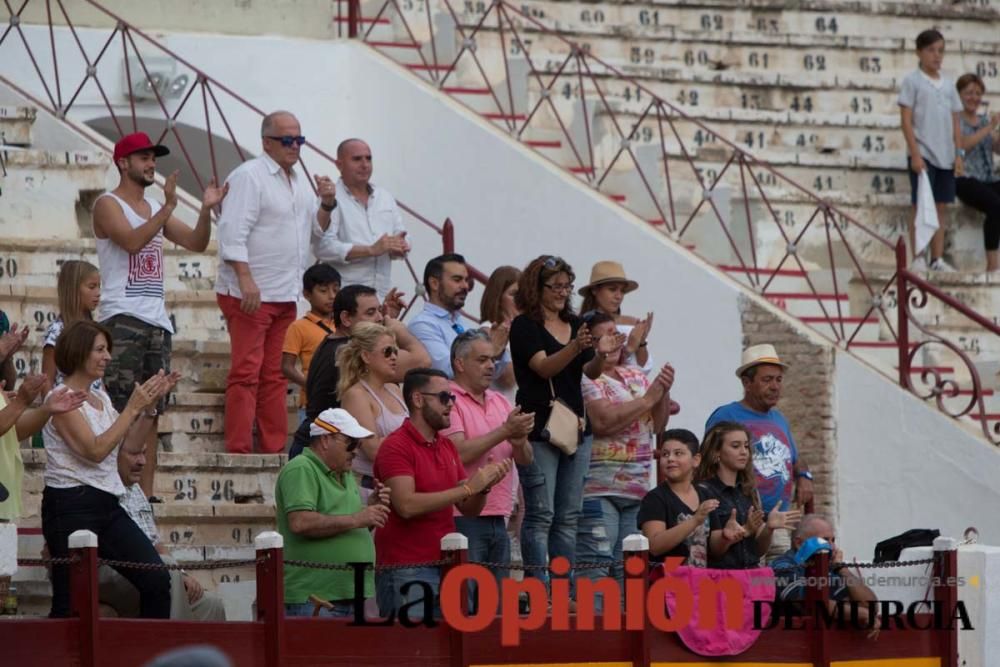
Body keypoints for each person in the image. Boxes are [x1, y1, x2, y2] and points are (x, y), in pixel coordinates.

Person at [94, 132, 227, 495]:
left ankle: (145, 499)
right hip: (121, 318)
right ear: (123, 162)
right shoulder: (107, 204)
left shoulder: (155, 207)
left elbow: (197, 243)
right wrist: (167, 208)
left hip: (156, 321)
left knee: (152, 415)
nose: (152, 164)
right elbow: (132, 241)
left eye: (153, 158)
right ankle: (115, 493)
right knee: (123, 410)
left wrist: (204, 209)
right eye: (143, 158)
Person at [215, 111, 337, 454]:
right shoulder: (249, 176)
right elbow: (231, 232)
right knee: (246, 372)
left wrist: (327, 204)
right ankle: (239, 448)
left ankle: (272, 449)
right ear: (267, 141)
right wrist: (245, 279)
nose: (295, 146)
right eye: (287, 140)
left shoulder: (298, 180)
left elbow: (315, 231)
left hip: (285, 292)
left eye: (299, 140)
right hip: (251, 292)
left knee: (275, 374)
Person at [42, 320, 177, 617]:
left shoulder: (100, 396)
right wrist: (131, 407)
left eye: (107, 350)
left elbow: (127, 444)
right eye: (100, 350)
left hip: (107, 502)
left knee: (156, 578)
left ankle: (151, 659)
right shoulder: (59, 398)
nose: (108, 357)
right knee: (69, 603)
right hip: (70, 504)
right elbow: (94, 450)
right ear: (79, 353)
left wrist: (149, 407)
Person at [509, 255, 623, 588]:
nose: (562, 292)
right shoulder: (525, 325)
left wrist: (600, 354)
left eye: (566, 286)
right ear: (537, 288)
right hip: (541, 425)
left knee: (568, 516)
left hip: (574, 425)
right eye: (555, 286)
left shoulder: (575, 323)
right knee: (541, 514)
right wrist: (575, 347)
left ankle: (563, 588)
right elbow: (543, 367)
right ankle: (538, 586)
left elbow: (589, 372)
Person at [373, 368, 510, 619]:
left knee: (451, 652)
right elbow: (406, 505)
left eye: (453, 398)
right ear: (418, 399)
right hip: (407, 567)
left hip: (445, 567)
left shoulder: (445, 445)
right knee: (413, 653)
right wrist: (468, 488)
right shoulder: (395, 446)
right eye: (444, 398)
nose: (451, 405)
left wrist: (483, 487)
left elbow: (469, 509)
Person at [576, 311, 673, 600]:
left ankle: (624, 641)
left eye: (617, 332)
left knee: (629, 572)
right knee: (596, 570)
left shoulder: (634, 373)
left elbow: (658, 424)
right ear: (590, 342)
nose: (617, 339)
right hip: (598, 488)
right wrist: (647, 398)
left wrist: (663, 391)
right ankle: (593, 639)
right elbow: (603, 422)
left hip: (638, 489)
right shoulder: (584, 376)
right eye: (608, 334)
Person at [288, 285, 430, 458]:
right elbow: (422, 361)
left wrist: (383, 322)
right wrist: (396, 328)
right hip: (319, 454)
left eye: (379, 311)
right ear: (346, 318)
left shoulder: (336, 343)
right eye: (371, 313)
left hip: (318, 446)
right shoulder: (347, 351)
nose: (379, 318)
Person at [441, 330, 534, 592]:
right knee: (467, 603)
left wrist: (518, 440)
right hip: (462, 514)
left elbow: (525, 459)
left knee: (496, 608)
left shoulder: (500, 400)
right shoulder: (448, 399)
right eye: (482, 360)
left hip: (500, 514)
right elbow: (457, 453)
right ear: (459, 364)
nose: (491, 365)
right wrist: (506, 431)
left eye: (493, 359)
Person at [275, 408, 390, 617]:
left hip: (344, 596)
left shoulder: (343, 473)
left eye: (359, 444)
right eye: (351, 443)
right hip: (316, 598)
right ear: (326, 439)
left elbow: (346, 526)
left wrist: (369, 513)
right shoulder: (301, 468)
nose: (356, 451)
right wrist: (358, 518)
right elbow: (300, 522)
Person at [98, 437, 226, 620]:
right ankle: (172, 644)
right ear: (113, 456)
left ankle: (208, 649)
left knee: (212, 605)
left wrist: (183, 574)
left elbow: (155, 541)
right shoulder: (100, 491)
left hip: (151, 567)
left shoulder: (136, 491)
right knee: (165, 569)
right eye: (134, 454)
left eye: (144, 453)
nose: (142, 461)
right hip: (120, 571)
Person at [705, 343, 813, 556]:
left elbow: (795, 457)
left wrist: (804, 475)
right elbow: (708, 462)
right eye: (767, 380)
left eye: (778, 379)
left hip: (778, 522)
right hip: (738, 519)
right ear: (747, 382)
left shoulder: (779, 419)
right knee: (743, 582)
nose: (775, 386)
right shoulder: (726, 415)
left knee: (778, 583)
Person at [899, 29, 964, 271]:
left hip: (946, 155)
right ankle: (918, 256)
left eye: (940, 51)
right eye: (931, 50)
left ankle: (936, 259)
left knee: (940, 207)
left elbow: (956, 122)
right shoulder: (912, 81)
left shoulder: (948, 85)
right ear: (919, 52)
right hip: (923, 152)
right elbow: (906, 120)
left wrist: (959, 154)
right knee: (920, 205)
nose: (937, 56)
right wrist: (915, 154)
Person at [695, 422, 800, 569]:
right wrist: (738, 533)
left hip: (751, 575)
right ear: (716, 452)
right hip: (722, 578)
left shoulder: (748, 491)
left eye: (746, 446)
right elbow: (714, 550)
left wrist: (769, 529)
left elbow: (757, 551)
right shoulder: (704, 491)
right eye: (735, 446)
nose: (744, 452)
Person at [314, 138, 409, 298]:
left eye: (368, 158)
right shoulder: (330, 198)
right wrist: (370, 250)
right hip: (347, 297)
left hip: (382, 295)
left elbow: (402, 233)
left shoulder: (384, 196)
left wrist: (401, 246)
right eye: (357, 159)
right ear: (339, 164)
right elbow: (322, 247)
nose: (365, 164)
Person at [771, 514, 879, 636]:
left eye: (833, 540)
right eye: (825, 540)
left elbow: (870, 606)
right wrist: (861, 614)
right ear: (799, 543)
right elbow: (812, 602)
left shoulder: (830, 568)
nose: (832, 547)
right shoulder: (783, 566)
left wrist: (842, 569)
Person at [409, 254, 511, 378]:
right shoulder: (422, 324)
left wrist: (498, 351)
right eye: (457, 280)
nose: (465, 286)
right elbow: (448, 370)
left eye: (466, 280)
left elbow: (491, 376)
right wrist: (491, 352)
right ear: (434, 283)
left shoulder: (462, 322)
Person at [338, 322, 409, 498]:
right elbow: (373, 450)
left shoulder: (394, 389)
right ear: (366, 356)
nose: (393, 357)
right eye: (387, 351)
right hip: (371, 487)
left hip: (399, 481)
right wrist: (412, 437)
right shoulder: (356, 395)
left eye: (395, 351)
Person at [638, 429, 718, 566]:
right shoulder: (655, 498)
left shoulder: (706, 495)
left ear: (696, 460)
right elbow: (654, 546)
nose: (670, 459)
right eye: (665, 454)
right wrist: (694, 521)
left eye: (678, 453)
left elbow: (716, 549)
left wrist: (731, 535)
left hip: (702, 582)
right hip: (667, 583)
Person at [281, 263, 341, 421]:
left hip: (343, 401)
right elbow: (287, 367)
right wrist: (311, 384)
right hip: (313, 402)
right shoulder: (298, 327)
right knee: (310, 444)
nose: (331, 296)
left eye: (336, 290)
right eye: (323, 290)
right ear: (307, 294)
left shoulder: (344, 324)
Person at [955, 73, 1000, 273]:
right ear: (960, 94)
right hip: (965, 178)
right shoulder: (955, 120)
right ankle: (992, 264)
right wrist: (988, 127)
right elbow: (963, 146)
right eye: (969, 93)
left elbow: (996, 148)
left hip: (988, 177)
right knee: (995, 205)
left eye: (977, 93)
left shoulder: (984, 121)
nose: (973, 97)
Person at [578, 261, 653, 371]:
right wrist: (628, 349)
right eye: (612, 289)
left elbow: (644, 367)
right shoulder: (582, 323)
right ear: (594, 290)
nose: (619, 296)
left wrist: (642, 341)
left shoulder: (632, 322)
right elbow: (589, 369)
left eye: (622, 291)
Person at [42, 260, 103, 390]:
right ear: (73, 289)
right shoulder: (57, 331)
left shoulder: (95, 329)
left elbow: (98, 380)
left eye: (99, 286)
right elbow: (46, 380)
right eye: (92, 287)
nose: (98, 293)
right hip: (68, 405)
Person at [479, 265, 521, 396]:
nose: (521, 300)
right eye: (514, 294)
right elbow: (508, 380)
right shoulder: (487, 330)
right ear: (497, 297)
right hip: (502, 413)